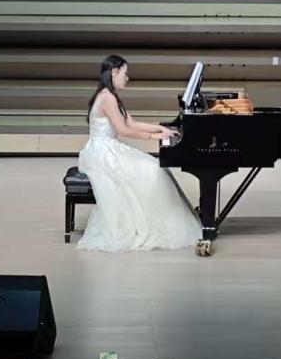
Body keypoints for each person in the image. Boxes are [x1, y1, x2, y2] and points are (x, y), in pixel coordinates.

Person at [75, 55, 201, 252]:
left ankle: (159, 220)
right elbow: (123, 130)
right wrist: (153, 137)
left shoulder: (111, 96)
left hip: (108, 147)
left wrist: (160, 128)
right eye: (125, 73)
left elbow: (131, 123)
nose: (127, 78)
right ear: (114, 72)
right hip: (102, 152)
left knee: (154, 168)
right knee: (152, 170)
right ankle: (156, 224)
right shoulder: (107, 98)